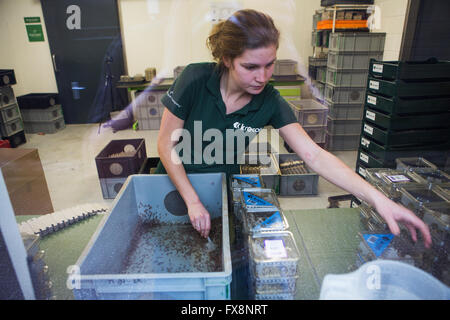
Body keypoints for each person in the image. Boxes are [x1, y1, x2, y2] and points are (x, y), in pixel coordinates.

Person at [155, 9, 431, 248]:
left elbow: (315, 156)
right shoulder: (195, 78)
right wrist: (191, 201)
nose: (262, 77)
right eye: (250, 66)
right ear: (227, 59)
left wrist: (377, 198)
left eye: (269, 64)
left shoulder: (269, 102)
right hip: (171, 185)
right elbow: (166, 145)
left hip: (220, 190)